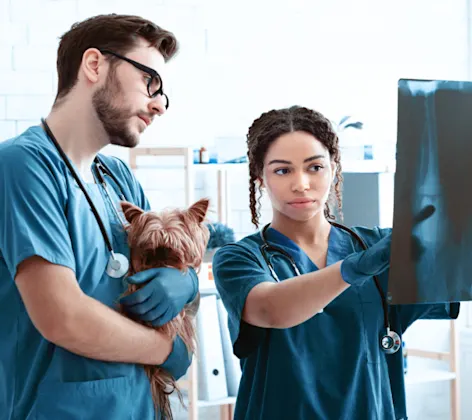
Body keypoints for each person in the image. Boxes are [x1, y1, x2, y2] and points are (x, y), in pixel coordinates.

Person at [0, 14, 198, 420]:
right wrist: (167, 350)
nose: (159, 104)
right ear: (95, 65)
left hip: (136, 406)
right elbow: (64, 317)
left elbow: (162, 264)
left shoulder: (118, 177)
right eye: (150, 82)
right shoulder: (23, 165)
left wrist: (186, 280)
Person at [212, 105, 460, 420]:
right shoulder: (240, 258)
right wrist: (354, 268)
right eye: (282, 170)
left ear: (333, 168)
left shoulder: (382, 247)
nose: (301, 184)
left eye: (314, 167)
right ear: (260, 176)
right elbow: (268, 308)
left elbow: (457, 271)